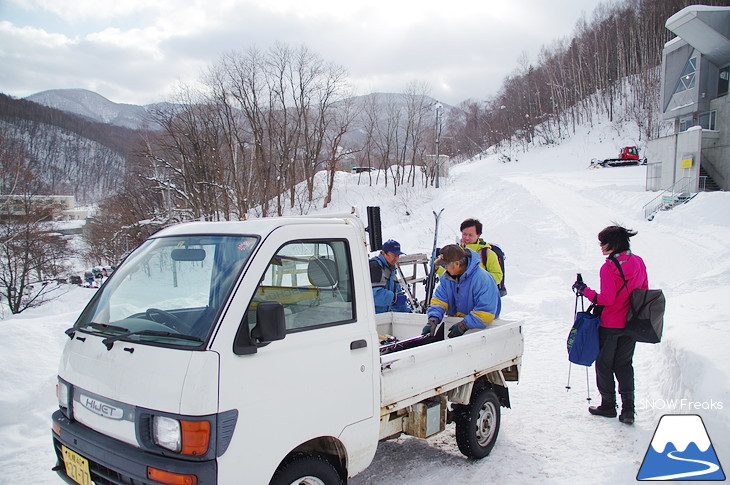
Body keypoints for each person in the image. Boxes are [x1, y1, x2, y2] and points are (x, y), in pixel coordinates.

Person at [572, 225, 648, 425]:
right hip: (632, 324)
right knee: (624, 364)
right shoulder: (638, 261)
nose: (600, 246)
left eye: (602, 242)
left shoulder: (609, 267)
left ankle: (608, 406)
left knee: (604, 365)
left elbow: (607, 299)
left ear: (612, 244)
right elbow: (644, 291)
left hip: (611, 324)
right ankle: (628, 410)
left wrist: (584, 290)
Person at [422, 244, 501, 339]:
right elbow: (439, 300)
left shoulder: (482, 279)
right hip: (459, 324)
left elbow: (485, 312)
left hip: (484, 331)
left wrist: (464, 325)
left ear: (457, 264)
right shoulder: (446, 278)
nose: (445, 267)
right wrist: (433, 319)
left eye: (446, 264)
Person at [437, 218, 503, 286]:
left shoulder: (487, 254)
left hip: (479, 294)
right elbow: (450, 275)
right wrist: (438, 269)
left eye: (470, 235)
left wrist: (476, 281)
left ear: (478, 235)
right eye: (464, 234)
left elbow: (497, 277)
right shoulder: (455, 252)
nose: (466, 238)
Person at [369, 239, 411, 314]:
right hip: (371, 316)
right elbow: (374, 295)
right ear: (383, 253)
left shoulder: (391, 270)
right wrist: (394, 298)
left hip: (383, 316)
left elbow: (398, 294)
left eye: (398, 256)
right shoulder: (375, 266)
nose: (396, 259)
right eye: (394, 255)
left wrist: (408, 314)